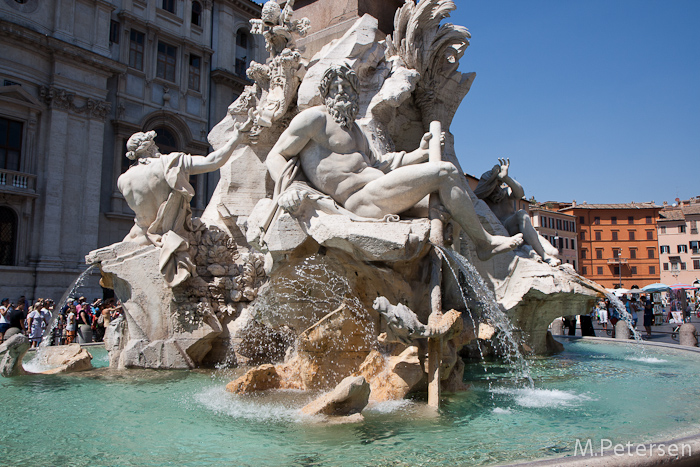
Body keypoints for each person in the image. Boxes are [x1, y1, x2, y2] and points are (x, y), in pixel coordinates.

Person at [265, 63, 524, 261]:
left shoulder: (357, 131)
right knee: (445, 171)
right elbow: (275, 155)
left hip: (380, 191)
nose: (341, 92)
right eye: (335, 87)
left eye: (347, 87)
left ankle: (443, 287)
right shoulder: (314, 120)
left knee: (450, 210)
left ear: (356, 94)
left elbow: (382, 164)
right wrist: (288, 190)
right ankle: (484, 244)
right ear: (326, 93)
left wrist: (420, 152)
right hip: (358, 201)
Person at [118, 114, 253, 287]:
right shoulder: (170, 163)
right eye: (155, 145)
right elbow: (213, 161)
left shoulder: (123, 179)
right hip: (173, 236)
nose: (158, 148)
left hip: (139, 238)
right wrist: (236, 138)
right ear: (151, 147)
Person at [474, 159, 560, 265]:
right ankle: (543, 255)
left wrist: (506, 178)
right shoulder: (482, 201)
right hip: (506, 231)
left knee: (554, 252)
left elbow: (519, 193)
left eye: (498, 184)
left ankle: (529, 248)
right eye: (494, 184)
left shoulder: (505, 193)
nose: (497, 188)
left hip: (524, 230)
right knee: (522, 214)